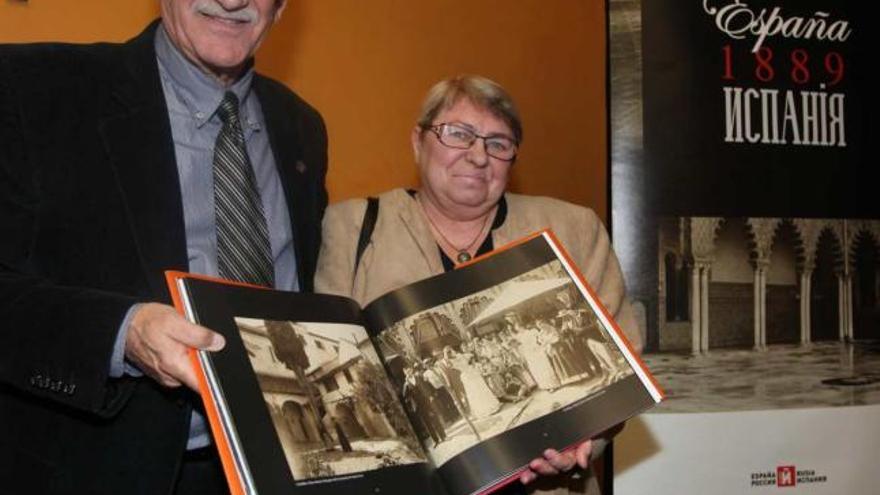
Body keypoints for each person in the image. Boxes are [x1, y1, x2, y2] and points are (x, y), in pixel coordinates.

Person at [0, 1, 327, 494]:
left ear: (280, 8)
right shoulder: (32, 87)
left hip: (275, 466)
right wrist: (122, 332)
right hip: (96, 470)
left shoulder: (301, 126)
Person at [315, 75, 641, 494]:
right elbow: (332, 345)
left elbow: (622, 363)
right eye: (458, 134)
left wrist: (585, 440)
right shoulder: (352, 226)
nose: (477, 155)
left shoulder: (571, 228)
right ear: (418, 141)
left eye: (498, 143)